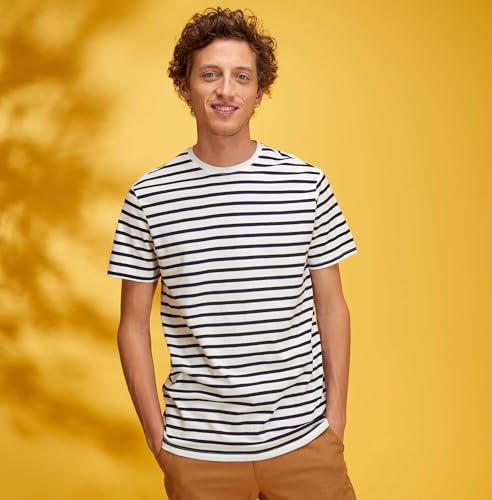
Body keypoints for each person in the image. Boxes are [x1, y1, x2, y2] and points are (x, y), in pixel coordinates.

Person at [107, 7, 358, 500]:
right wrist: (159, 442)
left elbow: (332, 307)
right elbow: (132, 325)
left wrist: (336, 420)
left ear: (259, 91)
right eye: (210, 75)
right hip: (198, 453)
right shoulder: (149, 197)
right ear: (184, 87)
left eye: (241, 76)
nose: (226, 90)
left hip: (305, 441)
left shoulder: (305, 184)